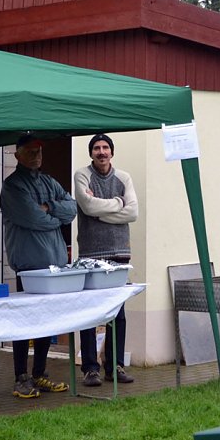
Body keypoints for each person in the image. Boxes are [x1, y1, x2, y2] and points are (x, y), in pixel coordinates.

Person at [0, 134, 77, 398]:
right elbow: (33, 218)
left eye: (39, 151)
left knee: (47, 320)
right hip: (29, 266)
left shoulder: (48, 182)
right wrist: (56, 218)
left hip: (54, 266)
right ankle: (21, 377)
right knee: (25, 320)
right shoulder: (12, 187)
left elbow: (72, 209)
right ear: (17, 155)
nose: (36, 156)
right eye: (30, 152)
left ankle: (39, 374)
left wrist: (49, 208)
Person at [74, 133, 137, 386]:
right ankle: (90, 369)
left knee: (118, 313)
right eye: (97, 148)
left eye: (105, 147)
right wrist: (118, 203)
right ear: (91, 153)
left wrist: (101, 212)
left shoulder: (124, 177)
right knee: (89, 312)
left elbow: (133, 212)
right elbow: (87, 207)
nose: (101, 152)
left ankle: (115, 366)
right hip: (91, 254)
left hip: (119, 252)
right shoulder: (82, 175)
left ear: (112, 152)